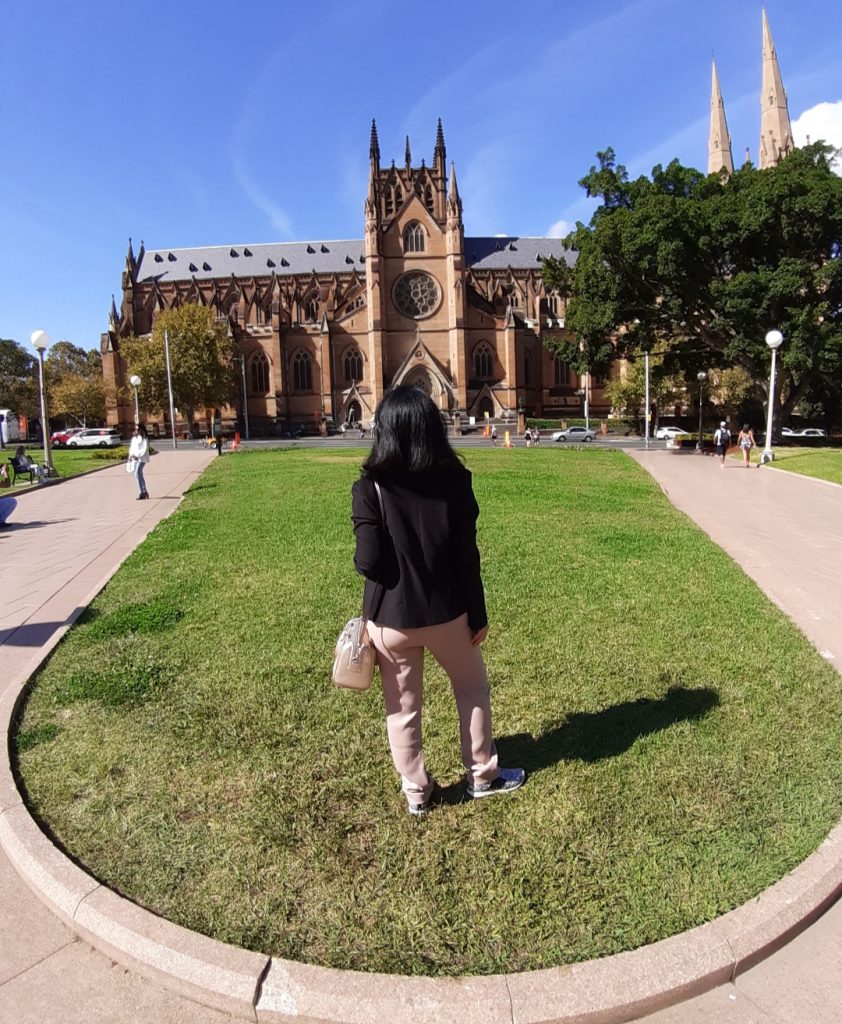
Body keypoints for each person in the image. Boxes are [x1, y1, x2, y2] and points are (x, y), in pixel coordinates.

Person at [351, 386, 525, 816]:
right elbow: (467, 557)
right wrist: (478, 613)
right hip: (449, 612)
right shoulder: (456, 481)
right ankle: (482, 775)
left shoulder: (369, 487)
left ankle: (417, 793)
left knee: (402, 708)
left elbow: (367, 562)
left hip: (391, 618)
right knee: (472, 689)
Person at [127, 423, 150, 499]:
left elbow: (144, 450)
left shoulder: (144, 439)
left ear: (141, 430)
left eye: (137, 429)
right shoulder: (134, 439)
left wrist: (137, 455)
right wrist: (131, 455)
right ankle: (144, 491)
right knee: (139, 474)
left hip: (142, 459)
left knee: (137, 473)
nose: (135, 431)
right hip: (135, 458)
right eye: (135, 429)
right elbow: (132, 448)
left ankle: (142, 492)